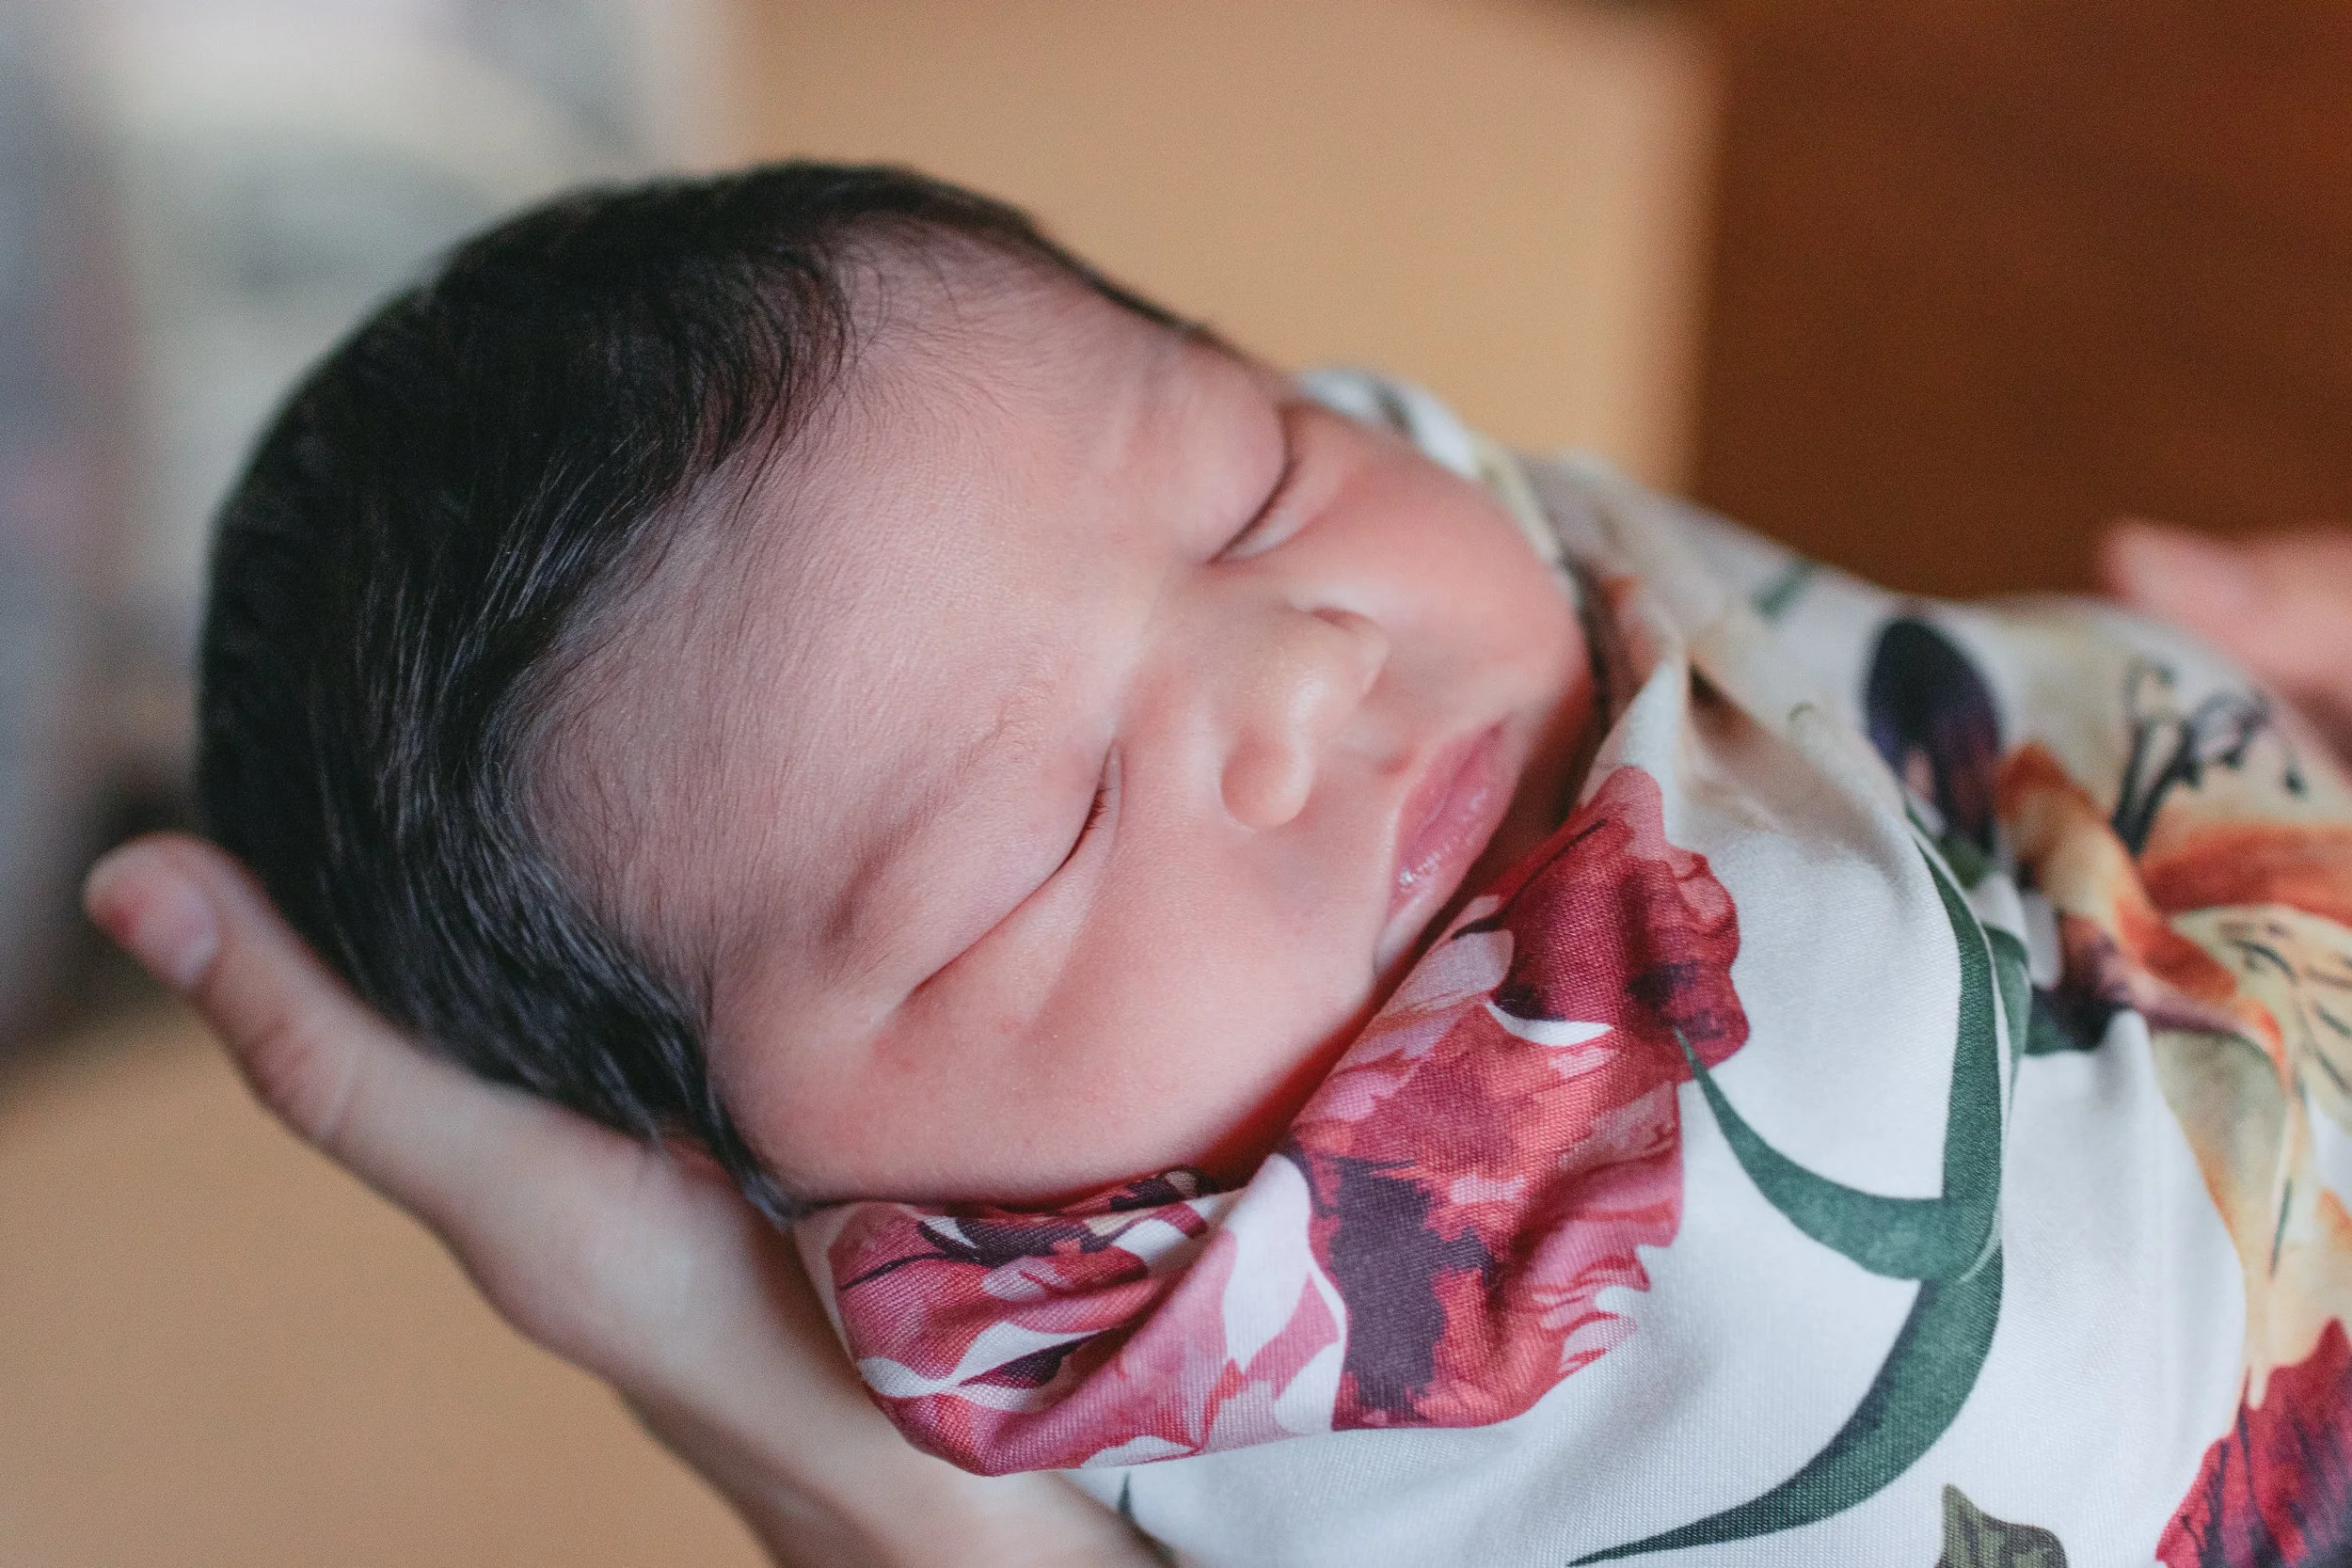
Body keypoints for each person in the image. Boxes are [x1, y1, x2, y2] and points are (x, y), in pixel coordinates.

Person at [85, 163, 2352, 1561]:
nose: (1299, 670)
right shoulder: (1124, 1334)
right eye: (1033, 839)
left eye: (1253, 486)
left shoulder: (1597, 607)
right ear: (767, 1169)